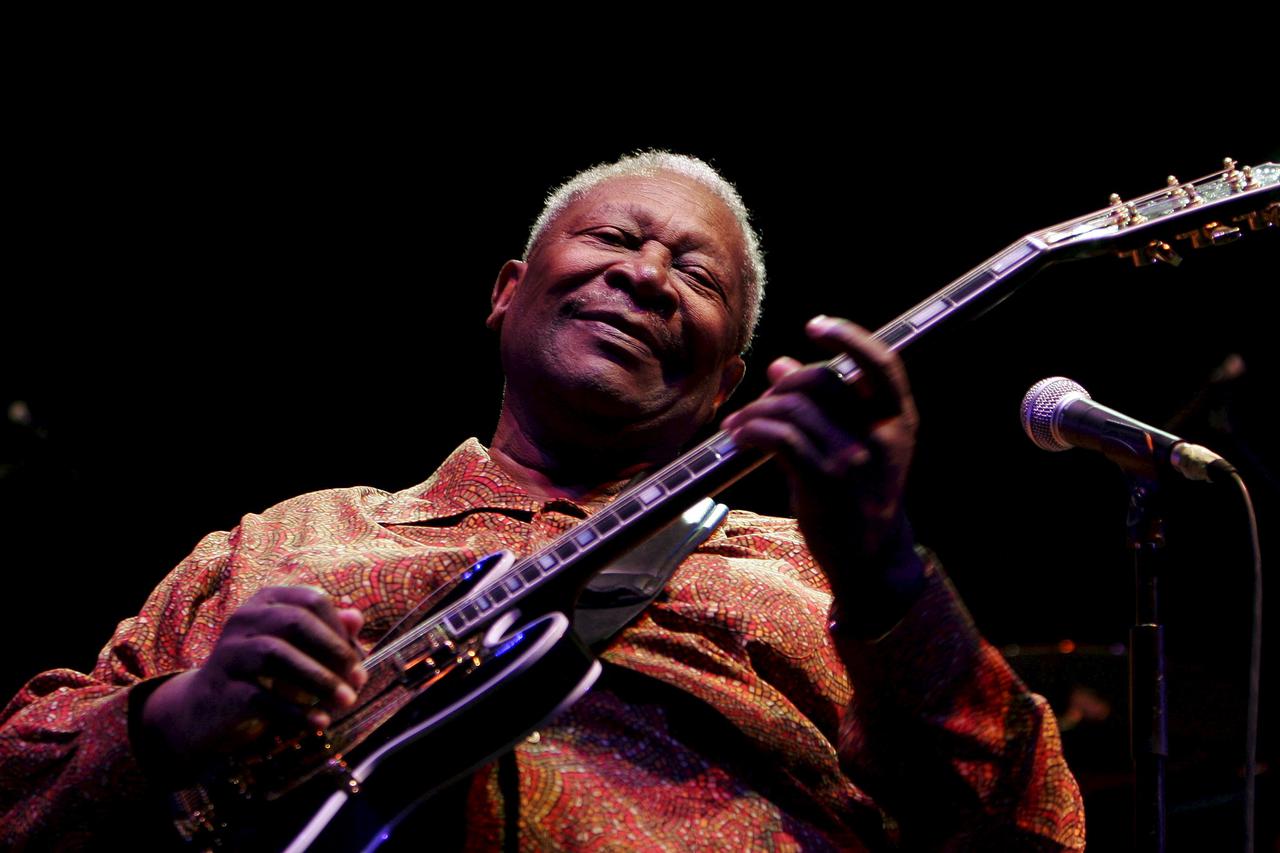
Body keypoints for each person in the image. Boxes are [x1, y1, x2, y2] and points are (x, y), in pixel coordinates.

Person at [0, 152, 1086, 849]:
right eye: (614, 238)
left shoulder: (808, 569)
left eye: (695, 276)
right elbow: (19, 783)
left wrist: (882, 565)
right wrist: (183, 714)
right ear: (507, 291)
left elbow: (1027, 830)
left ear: (726, 385)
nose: (645, 276)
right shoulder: (287, 539)